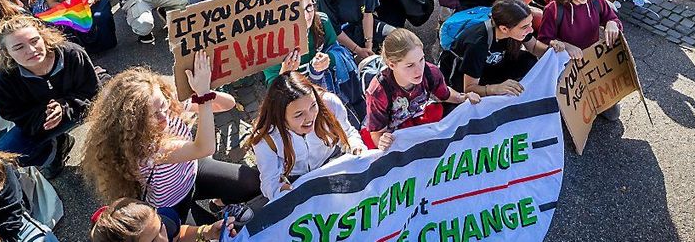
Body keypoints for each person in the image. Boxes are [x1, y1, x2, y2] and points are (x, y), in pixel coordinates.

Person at [80, 60, 259, 224]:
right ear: (134, 123)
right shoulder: (145, 148)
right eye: (153, 114)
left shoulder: (166, 104)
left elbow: (227, 104)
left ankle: (219, 205)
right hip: (172, 203)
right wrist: (202, 95)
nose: (163, 115)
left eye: (163, 105)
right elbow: (204, 148)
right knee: (214, 235)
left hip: (192, 172)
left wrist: (203, 90)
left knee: (252, 182)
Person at [0, 16, 99, 178]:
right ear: (7, 53)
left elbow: (92, 91)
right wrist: (45, 117)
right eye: (19, 47)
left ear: (43, 37)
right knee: (5, 152)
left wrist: (64, 107)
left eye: (35, 40)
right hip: (42, 122)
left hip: (78, 108)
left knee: (120, 102)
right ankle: (55, 150)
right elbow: (13, 114)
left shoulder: (71, 54)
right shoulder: (4, 79)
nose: (31, 50)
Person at [248, 72, 365, 200]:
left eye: (313, 106)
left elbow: (348, 133)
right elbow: (270, 180)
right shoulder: (266, 139)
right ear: (280, 116)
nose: (310, 118)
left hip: (332, 164)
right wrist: (280, 191)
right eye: (299, 114)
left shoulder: (330, 104)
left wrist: (355, 146)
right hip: (296, 180)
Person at [364, 28, 479, 151]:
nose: (419, 70)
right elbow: (377, 134)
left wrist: (464, 97)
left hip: (416, 116)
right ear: (392, 65)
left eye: (421, 59)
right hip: (390, 129)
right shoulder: (378, 91)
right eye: (410, 65)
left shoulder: (430, 72)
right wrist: (382, 141)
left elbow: (446, 95)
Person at [538, 0, 623, 120]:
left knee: (613, 115)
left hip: (592, 65)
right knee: (571, 116)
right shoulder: (554, 9)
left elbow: (612, 18)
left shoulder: (596, 1)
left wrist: (612, 23)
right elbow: (544, 40)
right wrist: (564, 46)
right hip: (566, 67)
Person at [440, 0, 563, 96]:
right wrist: (496, 88)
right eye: (525, 27)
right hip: (466, 77)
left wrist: (557, 49)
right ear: (504, 29)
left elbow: (535, 48)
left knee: (528, 61)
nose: (531, 30)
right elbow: (469, 88)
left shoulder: (515, 30)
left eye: (530, 24)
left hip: (492, 66)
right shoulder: (477, 44)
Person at [90, 198, 230, 242]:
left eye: (160, 227)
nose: (164, 239)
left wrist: (206, 231)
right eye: (152, 241)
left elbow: (178, 235)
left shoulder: (167, 218)